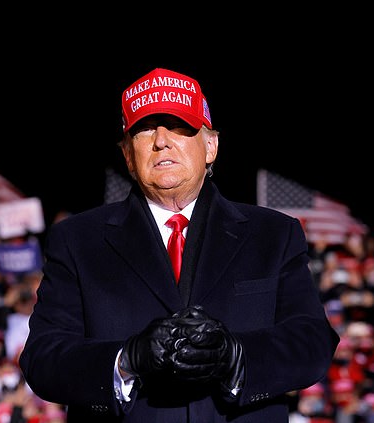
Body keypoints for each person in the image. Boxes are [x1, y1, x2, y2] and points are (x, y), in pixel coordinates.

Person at [19, 67, 340, 422]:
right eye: (144, 129)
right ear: (127, 155)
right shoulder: (76, 240)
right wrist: (127, 360)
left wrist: (236, 356)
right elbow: (43, 357)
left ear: (211, 146)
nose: (161, 140)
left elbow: (313, 341)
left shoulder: (274, 235)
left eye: (179, 126)